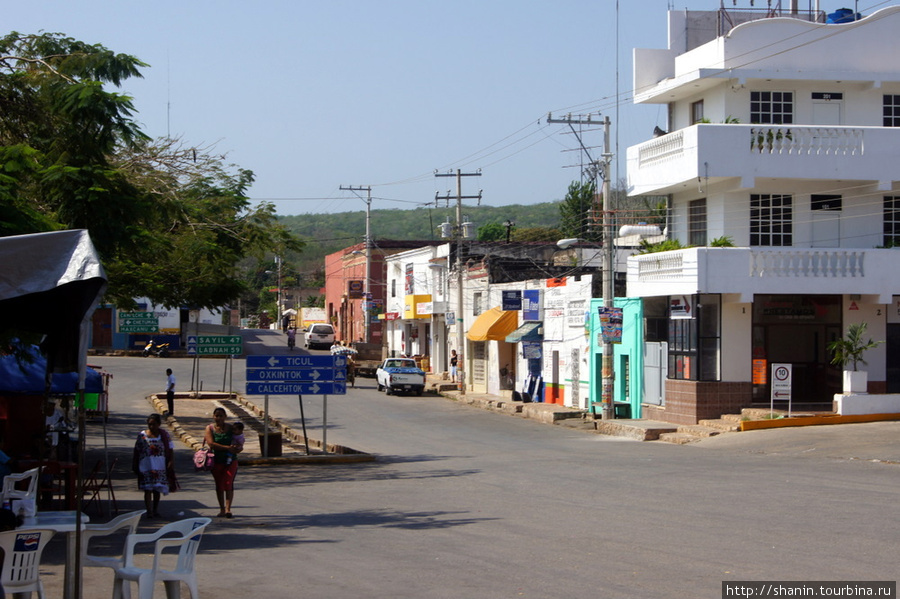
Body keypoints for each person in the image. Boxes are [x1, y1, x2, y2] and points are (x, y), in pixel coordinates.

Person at [132, 413, 176, 518]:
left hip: (160, 466)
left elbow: (170, 449)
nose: (151, 427)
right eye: (149, 424)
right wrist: (135, 464)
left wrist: (171, 462)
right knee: (147, 489)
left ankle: (155, 509)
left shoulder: (164, 435)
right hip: (146, 466)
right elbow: (136, 450)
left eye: (154, 424)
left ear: (159, 424)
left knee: (157, 489)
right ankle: (149, 511)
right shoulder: (142, 435)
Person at [204, 407, 242, 518]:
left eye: (221, 415)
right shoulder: (210, 428)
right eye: (217, 416)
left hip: (231, 461)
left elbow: (239, 440)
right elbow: (211, 444)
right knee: (219, 484)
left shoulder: (231, 428)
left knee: (228, 482)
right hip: (216, 461)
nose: (219, 418)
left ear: (225, 417)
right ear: (213, 416)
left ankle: (228, 509)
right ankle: (221, 509)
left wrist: (238, 448)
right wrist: (227, 448)